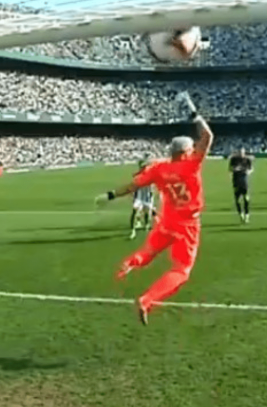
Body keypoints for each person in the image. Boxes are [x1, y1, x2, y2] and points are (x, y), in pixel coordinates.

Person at [95, 114, 213, 325]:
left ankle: (130, 263)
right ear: (186, 152)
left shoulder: (158, 168)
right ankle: (147, 300)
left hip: (166, 220)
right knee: (181, 270)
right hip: (187, 224)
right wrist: (197, 118)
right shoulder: (191, 165)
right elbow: (208, 136)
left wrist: (110, 195)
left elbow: (132, 186)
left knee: (148, 252)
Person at [129, 159, 156, 240]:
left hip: (147, 197)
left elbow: (153, 185)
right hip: (139, 197)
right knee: (134, 211)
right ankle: (133, 231)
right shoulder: (138, 175)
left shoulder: (151, 174)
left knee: (147, 213)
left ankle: (147, 225)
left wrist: (152, 193)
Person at [228, 147, 253, 223]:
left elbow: (251, 169)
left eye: (242, 152)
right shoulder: (234, 159)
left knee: (246, 198)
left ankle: (247, 215)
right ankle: (241, 214)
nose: (241, 154)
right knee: (238, 200)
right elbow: (230, 169)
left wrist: (248, 172)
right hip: (236, 180)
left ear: (244, 152)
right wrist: (234, 169)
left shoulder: (247, 160)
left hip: (244, 180)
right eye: (240, 152)